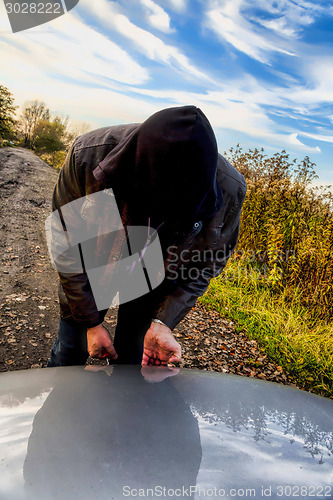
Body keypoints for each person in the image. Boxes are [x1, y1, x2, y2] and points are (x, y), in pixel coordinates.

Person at [47, 105, 246, 367]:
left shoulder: (228, 190)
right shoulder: (87, 157)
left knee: (133, 362)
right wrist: (90, 322)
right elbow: (66, 246)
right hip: (94, 263)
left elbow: (206, 264)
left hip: (154, 277)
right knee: (69, 353)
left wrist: (163, 322)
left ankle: (125, 406)